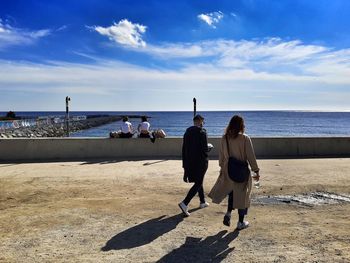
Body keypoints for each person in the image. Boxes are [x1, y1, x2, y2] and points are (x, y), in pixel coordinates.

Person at [209, 115, 260, 230]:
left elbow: (221, 156)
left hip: (228, 169)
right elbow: (250, 156)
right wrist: (256, 170)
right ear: (241, 125)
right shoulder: (245, 138)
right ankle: (240, 222)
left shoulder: (224, 138)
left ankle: (228, 213)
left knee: (231, 193)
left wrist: (223, 168)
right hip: (241, 170)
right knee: (242, 195)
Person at [178, 114, 210, 217]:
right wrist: (209, 148)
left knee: (198, 181)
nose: (203, 124)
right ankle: (185, 203)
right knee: (199, 182)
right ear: (200, 121)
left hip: (190, 162)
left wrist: (185, 165)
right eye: (203, 122)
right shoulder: (202, 132)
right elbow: (204, 149)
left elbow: (184, 149)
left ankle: (202, 201)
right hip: (200, 162)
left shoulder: (187, 132)